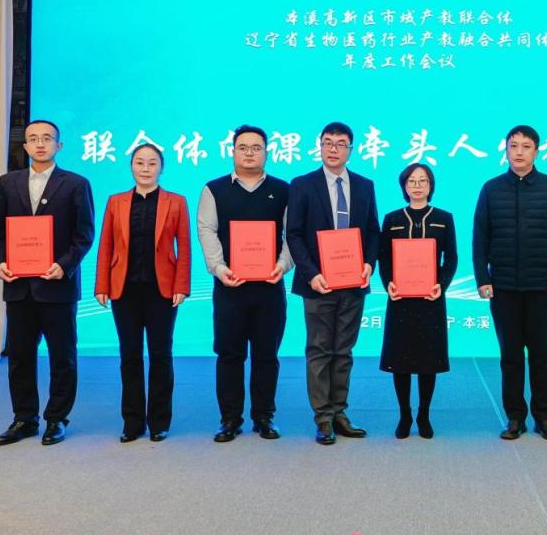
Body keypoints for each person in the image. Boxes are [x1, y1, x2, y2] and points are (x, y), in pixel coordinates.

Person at [0, 119, 95, 446]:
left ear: (59, 145)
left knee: (63, 356)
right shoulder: (8, 183)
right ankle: (24, 419)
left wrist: (64, 265)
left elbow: (84, 234)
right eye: (33, 139)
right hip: (19, 287)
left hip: (57, 286)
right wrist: (1, 263)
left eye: (47, 138)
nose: (40, 144)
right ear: (25, 146)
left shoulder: (76, 184)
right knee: (19, 357)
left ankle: (56, 418)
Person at [473, 125, 547, 441]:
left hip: (541, 286)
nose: (519, 151)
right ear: (505, 150)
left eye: (526, 146)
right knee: (511, 355)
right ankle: (515, 417)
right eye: (513, 145)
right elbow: (480, 238)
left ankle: (544, 417)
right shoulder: (491, 189)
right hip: (503, 286)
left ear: (536, 151)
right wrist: (482, 278)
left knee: (542, 354)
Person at [197, 125, 292, 442]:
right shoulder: (214, 189)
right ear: (233, 151)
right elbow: (207, 230)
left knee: (267, 355)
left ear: (266, 152)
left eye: (256, 147)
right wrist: (219, 268)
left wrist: (282, 265)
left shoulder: (283, 190)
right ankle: (229, 419)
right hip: (230, 287)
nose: (249, 152)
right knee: (229, 355)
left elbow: (291, 233)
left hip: (270, 287)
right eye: (243, 147)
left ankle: (264, 416)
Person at [287, 122, 381, 445]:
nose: (333, 148)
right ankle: (323, 417)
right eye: (327, 142)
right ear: (320, 146)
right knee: (319, 349)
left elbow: (373, 231)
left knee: (344, 351)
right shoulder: (302, 184)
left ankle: (340, 412)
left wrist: (369, 263)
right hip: (318, 283)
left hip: (353, 283)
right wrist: (311, 273)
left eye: (340, 144)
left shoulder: (365, 186)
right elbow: (293, 234)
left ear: (351, 150)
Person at [94, 144, 191, 443]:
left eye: (152, 163)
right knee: (130, 355)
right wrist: (102, 285)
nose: (145, 168)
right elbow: (106, 245)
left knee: (161, 355)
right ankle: (132, 422)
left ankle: (159, 421)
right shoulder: (116, 202)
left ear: (161, 168)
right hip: (124, 290)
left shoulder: (176, 202)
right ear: (131, 167)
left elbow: (184, 247)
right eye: (139, 162)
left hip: (162, 291)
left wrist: (181, 286)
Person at [378, 164, 458, 439]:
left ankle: (424, 415)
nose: (417, 185)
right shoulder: (391, 219)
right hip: (400, 299)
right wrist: (388, 283)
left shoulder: (444, 218)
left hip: (430, 298)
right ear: (404, 185)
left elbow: (452, 258)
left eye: (423, 180)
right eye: (412, 181)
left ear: (431, 185)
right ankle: (404, 415)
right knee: (399, 359)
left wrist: (441, 285)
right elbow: (384, 258)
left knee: (428, 360)